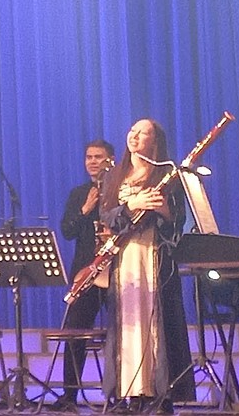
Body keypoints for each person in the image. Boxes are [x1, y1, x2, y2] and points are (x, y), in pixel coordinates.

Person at [100, 119, 193, 411]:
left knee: (156, 325)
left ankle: (159, 393)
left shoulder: (167, 174)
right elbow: (106, 217)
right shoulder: (114, 175)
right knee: (128, 325)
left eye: (143, 133)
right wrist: (132, 205)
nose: (135, 136)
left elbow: (178, 222)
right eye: (132, 131)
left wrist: (163, 210)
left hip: (154, 257)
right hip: (124, 260)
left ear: (155, 141)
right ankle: (131, 392)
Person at [55, 139, 115, 410]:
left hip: (114, 269)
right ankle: (69, 395)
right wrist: (85, 210)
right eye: (89, 157)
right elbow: (67, 231)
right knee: (75, 332)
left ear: (110, 160)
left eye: (98, 157)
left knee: (120, 331)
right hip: (85, 272)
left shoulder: (120, 189)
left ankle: (122, 394)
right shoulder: (79, 193)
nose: (92, 162)